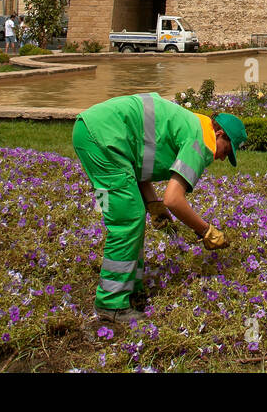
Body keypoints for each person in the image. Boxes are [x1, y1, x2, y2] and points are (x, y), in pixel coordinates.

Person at [72, 93, 248, 324]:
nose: (223, 158)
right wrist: (206, 231)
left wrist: (153, 205)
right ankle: (110, 303)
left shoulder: (192, 124)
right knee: (127, 220)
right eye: (227, 151)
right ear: (219, 134)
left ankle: (131, 287)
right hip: (103, 138)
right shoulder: (201, 142)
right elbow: (174, 199)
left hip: (94, 131)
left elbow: (137, 161)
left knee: (133, 213)